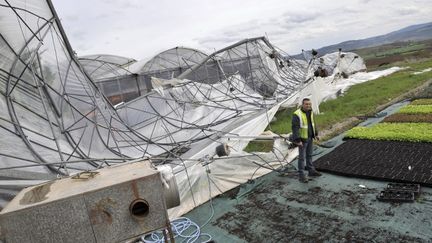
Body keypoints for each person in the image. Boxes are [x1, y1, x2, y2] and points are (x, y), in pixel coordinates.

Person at [291, 98, 322, 183]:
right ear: (302, 104)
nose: (308, 105)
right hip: (302, 139)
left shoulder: (310, 111)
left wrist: (315, 134)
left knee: (310, 155)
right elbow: (295, 128)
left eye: (309, 104)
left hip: (310, 137)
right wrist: (298, 140)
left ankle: (311, 171)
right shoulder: (297, 114)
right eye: (306, 104)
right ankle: (301, 175)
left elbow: (313, 123)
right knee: (301, 158)